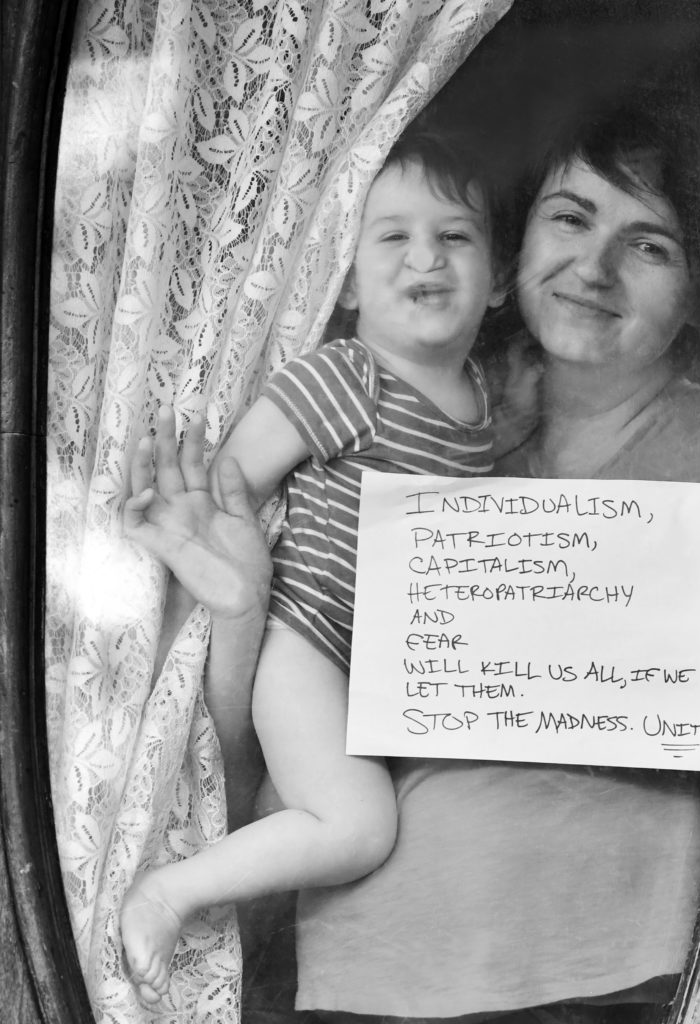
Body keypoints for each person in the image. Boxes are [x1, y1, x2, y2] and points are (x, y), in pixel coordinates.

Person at [284, 106, 700, 1024]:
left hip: (629, 975)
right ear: (512, 245)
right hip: (370, 971)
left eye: (649, 246)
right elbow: (272, 754)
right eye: (570, 218)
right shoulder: (422, 443)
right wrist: (244, 603)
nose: (593, 269)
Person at [118, 129, 507, 1006]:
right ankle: (170, 891)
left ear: (500, 278)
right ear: (351, 273)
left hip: (401, 676)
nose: (426, 257)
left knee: (309, 833)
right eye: (392, 236)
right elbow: (230, 486)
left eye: (455, 236)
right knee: (358, 827)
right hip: (311, 644)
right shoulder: (350, 375)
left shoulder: (486, 401)